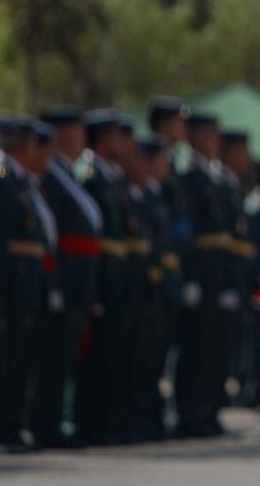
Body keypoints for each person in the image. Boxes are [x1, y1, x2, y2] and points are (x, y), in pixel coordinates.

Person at [0, 115, 52, 451]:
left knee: (17, 359)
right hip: (6, 285)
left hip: (22, 285)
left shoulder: (16, 178)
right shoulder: (1, 177)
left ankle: (10, 426)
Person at [33, 106, 102, 448]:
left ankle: (57, 420)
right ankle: (46, 424)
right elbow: (53, 236)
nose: (78, 141)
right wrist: (56, 282)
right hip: (65, 277)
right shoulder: (48, 175)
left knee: (67, 357)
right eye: (70, 134)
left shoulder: (67, 173)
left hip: (80, 279)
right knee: (53, 358)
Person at [172, 110, 237, 437]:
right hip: (198, 274)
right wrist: (191, 277)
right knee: (193, 350)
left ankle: (209, 411)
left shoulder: (216, 176)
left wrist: (227, 281)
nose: (214, 142)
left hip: (216, 276)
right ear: (194, 137)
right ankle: (188, 414)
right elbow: (187, 233)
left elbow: (225, 236)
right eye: (208, 136)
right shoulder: (186, 173)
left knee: (213, 349)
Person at [76, 110, 136, 445]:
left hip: (117, 279)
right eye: (115, 136)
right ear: (102, 139)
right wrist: (95, 290)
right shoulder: (89, 175)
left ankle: (112, 421)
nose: (122, 143)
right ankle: (93, 424)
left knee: (116, 357)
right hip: (101, 281)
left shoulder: (112, 177)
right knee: (97, 359)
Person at [131, 134, 180, 442]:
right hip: (147, 287)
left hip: (162, 287)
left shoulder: (155, 194)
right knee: (142, 360)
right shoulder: (141, 196)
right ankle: (141, 419)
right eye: (161, 159)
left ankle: (151, 417)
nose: (167, 166)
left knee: (155, 359)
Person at [220, 129, 260, 410]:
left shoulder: (233, 187)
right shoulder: (224, 185)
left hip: (240, 281)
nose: (247, 159)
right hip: (224, 281)